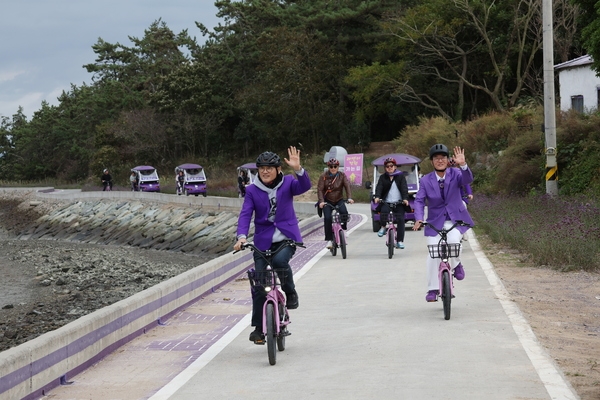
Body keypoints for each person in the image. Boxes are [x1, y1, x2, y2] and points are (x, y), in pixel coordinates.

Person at [233, 147, 311, 344]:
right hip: (262, 241)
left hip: (287, 237)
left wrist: (298, 169)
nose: (265, 171)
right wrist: (242, 236)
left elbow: (304, 186)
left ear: (277, 169)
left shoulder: (288, 183)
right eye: (261, 169)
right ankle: (259, 328)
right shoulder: (251, 190)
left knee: (280, 261)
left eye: (269, 168)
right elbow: (245, 214)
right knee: (260, 283)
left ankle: (290, 291)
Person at [413, 144, 475, 302]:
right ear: (432, 161)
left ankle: (456, 264)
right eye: (436, 158)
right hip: (435, 221)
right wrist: (419, 218)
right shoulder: (426, 180)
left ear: (448, 160)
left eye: (443, 158)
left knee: (454, 242)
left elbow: (468, 179)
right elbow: (419, 200)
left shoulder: (455, 173)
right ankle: (432, 289)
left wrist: (463, 165)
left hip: (454, 219)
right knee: (433, 254)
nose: (440, 161)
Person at [317, 158, 354, 249]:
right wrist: (321, 201)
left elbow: (347, 186)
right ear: (328, 167)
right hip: (327, 201)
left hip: (339, 199)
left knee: (344, 213)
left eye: (335, 166)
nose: (333, 168)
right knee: (328, 218)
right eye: (331, 166)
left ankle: (344, 229)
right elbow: (320, 190)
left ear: (338, 167)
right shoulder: (323, 176)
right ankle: (329, 240)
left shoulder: (342, 175)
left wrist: (349, 198)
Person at [373, 157, 410, 249]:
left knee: (401, 220)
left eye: (391, 166)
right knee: (383, 212)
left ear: (395, 167)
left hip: (399, 203)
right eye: (387, 166)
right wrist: (377, 197)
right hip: (387, 202)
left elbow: (404, 188)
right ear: (385, 168)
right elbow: (379, 188)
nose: (389, 168)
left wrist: (405, 199)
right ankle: (383, 227)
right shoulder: (382, 177)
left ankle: (400, 241)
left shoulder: (400, 176)